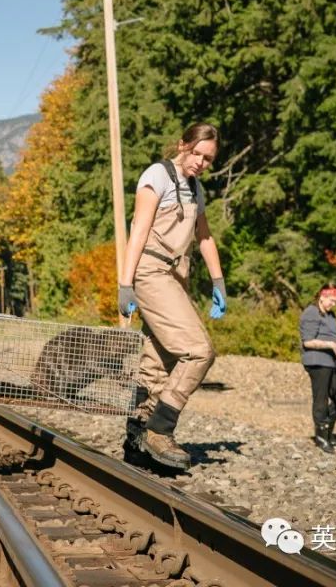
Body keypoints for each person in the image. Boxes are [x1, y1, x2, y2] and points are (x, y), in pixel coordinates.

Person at [118, 123, 227, 470]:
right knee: (198, 351)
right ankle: (160, 430)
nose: (200, 162)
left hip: (176, 276)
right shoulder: (157, 176)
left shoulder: (197, 189)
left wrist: (218, 281)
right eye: (196, 153)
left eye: (208, 159)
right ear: (182, 145)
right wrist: (125, 283)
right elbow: (139, 229)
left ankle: (136, 439)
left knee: (159, 359)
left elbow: (204, 237)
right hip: (151, 272)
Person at [299, 285, 336, 453]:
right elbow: (308, 341)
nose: (333, 304)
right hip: (317, 361)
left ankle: (328, 432)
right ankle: (321, 438)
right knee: (321, 399)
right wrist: (331, 345)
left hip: (332, 362)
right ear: (322, 296)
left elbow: (333, 337)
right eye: (331, 301)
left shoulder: (331, 315)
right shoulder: (311, 313)